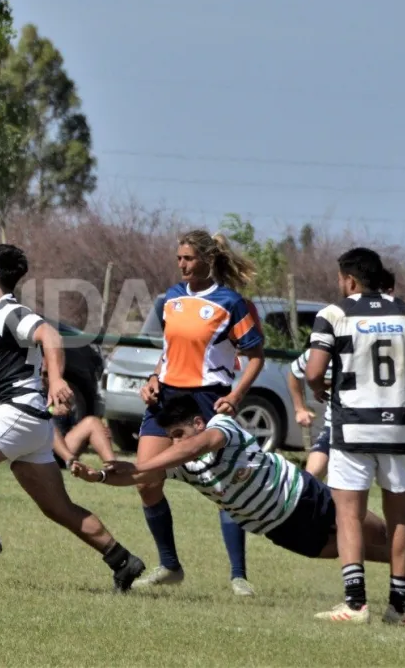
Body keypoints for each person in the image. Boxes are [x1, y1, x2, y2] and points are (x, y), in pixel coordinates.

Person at [69, 393, 405, 611]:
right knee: (371, 553)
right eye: (170, 437)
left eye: (179, 433)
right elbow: (136, 473)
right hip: (280, 529)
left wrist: (151, 462)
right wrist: (102, 474)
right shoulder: (177, 462)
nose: (175, 442)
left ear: (196, 423)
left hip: (304, 495)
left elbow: (190, 449)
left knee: (386, 531)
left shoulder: (220, 427)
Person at [0, 243, 146, 592]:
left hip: (18, 410)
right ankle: (122, 560)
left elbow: (50, 335)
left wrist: (56, 378)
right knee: (58, 507)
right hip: (32, 422)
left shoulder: (11, 312)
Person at [133, 230, 265, 596]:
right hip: (167, 397)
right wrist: (153, 377)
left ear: (208, 259)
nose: (182, 264)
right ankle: (170, 565)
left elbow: (255, 357)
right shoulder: (171, 299)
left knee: (226, 486)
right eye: (179, 258)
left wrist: (236, 396)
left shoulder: (231, 302)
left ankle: (238, 575)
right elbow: (169, 350)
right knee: (146, 479)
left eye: (189, 258)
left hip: (209, 398)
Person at [306, 248, 405, 626]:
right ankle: (400, 605)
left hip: (353, 428)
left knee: (349, 517)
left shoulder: (334, 314)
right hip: (399, 428)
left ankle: (356, 603)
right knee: (400, 520)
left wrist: (317, 389)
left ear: (351, 280)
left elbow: (313, 372)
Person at [288, 269, 397, 481]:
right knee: (310, 481)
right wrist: (300, 407)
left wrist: (322, 383)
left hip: (388, 427)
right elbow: (297, 372)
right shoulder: (335, 340)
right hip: (339, 427)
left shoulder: (400, 336)